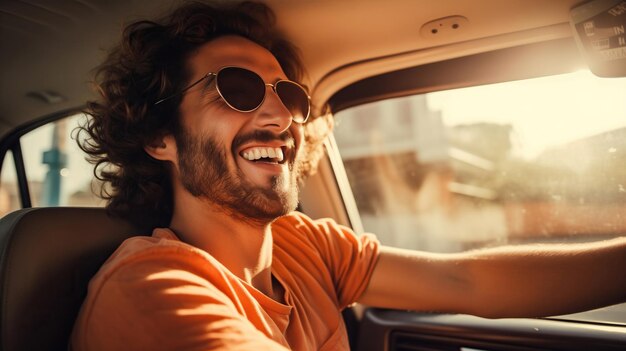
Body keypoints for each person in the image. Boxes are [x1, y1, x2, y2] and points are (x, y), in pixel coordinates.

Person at [70, 1, 626, 350]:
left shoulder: (302, 245)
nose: (281, 115)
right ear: (157, 137)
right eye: (236, 89)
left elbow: (467, 282)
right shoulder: (151, 289)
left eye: (287, 94)